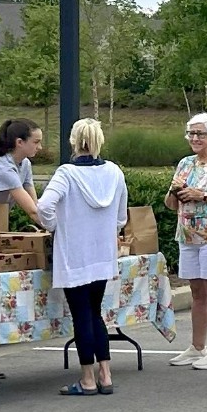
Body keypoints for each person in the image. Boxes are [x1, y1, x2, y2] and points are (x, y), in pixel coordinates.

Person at [36, 119, 129, 396]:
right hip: (102, 254)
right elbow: (122, 215)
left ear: (73, 142)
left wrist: (55, 225)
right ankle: (106, 373)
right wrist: (108, 229)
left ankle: (87, 378)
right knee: (95, 312)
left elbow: (44, 206)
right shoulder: (114, 172)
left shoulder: (66, 174)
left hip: (74, 254)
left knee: (81, 316)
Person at [165, 113, 207, 370]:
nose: (194, 138)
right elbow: (170, 205)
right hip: (187, 234)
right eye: (191, 133)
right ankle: (197, 346)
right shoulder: (184, 164)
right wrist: (175, 191)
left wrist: (201, 195)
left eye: (200, 134)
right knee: (196, 292)